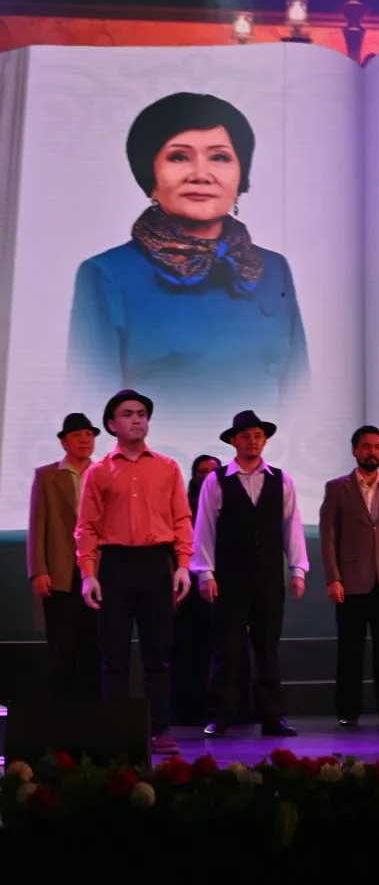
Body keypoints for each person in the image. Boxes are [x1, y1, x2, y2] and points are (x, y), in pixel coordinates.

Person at [68, 92, 309, 418]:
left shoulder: (274, 268)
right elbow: (92, 405)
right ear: (150, 176)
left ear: (241, 175)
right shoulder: (107, 273)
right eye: (179, 157)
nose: (201, 174)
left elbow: (299, 396)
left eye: (220, 157)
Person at [76, 389, 193, 755]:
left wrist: (183, 566)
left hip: (156, 564)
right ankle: (117, 732)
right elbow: (87, 527)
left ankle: (160, 729)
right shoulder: (98, 472)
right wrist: (88, 573)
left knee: (159, 655)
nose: (137, 419)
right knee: (114, 658)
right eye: (128, 414)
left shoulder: (168, 467)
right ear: (112, 425)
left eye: (142, 413)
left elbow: (181, 519)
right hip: (115, 565)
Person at [194, 410, 306, 739]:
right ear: (234, 441)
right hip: (230, 578)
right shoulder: (217, 480)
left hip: (268, 576)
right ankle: (221, 714)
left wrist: (297, 569)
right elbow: (205, 529)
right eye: (245, 436)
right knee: (226, 647)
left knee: (267, 648)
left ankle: (272, 716)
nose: (252, 441)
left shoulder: (281, 480)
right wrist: (205, 573)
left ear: (265, 440)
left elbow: (292, 526)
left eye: (258, 435)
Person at [319, 425, 379, 728]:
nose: (372, 452)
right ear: (354, 451)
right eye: (366, 446)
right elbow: (328, 537)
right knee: (350, 650)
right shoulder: (338, 488)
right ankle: (348, 712)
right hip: (350, 581)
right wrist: (333, 578)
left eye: (377, 447)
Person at [28, 412, 101, 701]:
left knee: (96, 648)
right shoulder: (47, 475)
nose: (84, 440)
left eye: (89, 435)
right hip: (61, 573)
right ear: (63, 442)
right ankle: (61, 718)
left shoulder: (104, 472)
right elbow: (37, 525)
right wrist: (38, 570)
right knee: (63, 649)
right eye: (77, 435)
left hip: (98, 572)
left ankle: (95, 716)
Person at [171, 453, 221, 725]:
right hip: (187, 590)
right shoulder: (182, 506)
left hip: (221, 587)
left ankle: (221, 710)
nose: (207, 476)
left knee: (221, 651)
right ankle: (187, 711)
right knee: (188, 651)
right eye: (202, 471)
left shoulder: (228, 502)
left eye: (212, 471)